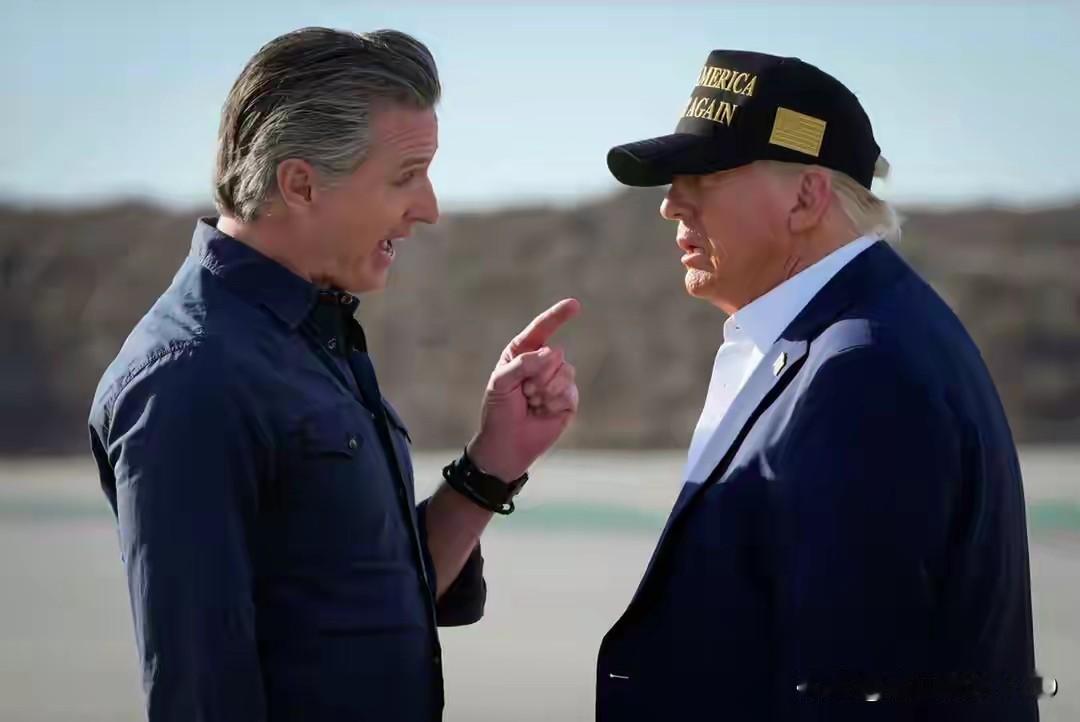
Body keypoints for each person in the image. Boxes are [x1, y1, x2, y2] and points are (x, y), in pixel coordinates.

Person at [87, 27, 580, 722]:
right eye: (405, 177)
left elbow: (372, 604)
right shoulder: (190, 378)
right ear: (300, 184)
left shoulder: (309, 337)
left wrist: (493, 463)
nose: (429, 207)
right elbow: (199, 691)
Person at [596, 49, 1041, 720]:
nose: (670, 204)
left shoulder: (860, 367)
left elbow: (849, 686)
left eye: (704, 175)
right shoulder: (851, 336)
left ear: (807, 196)